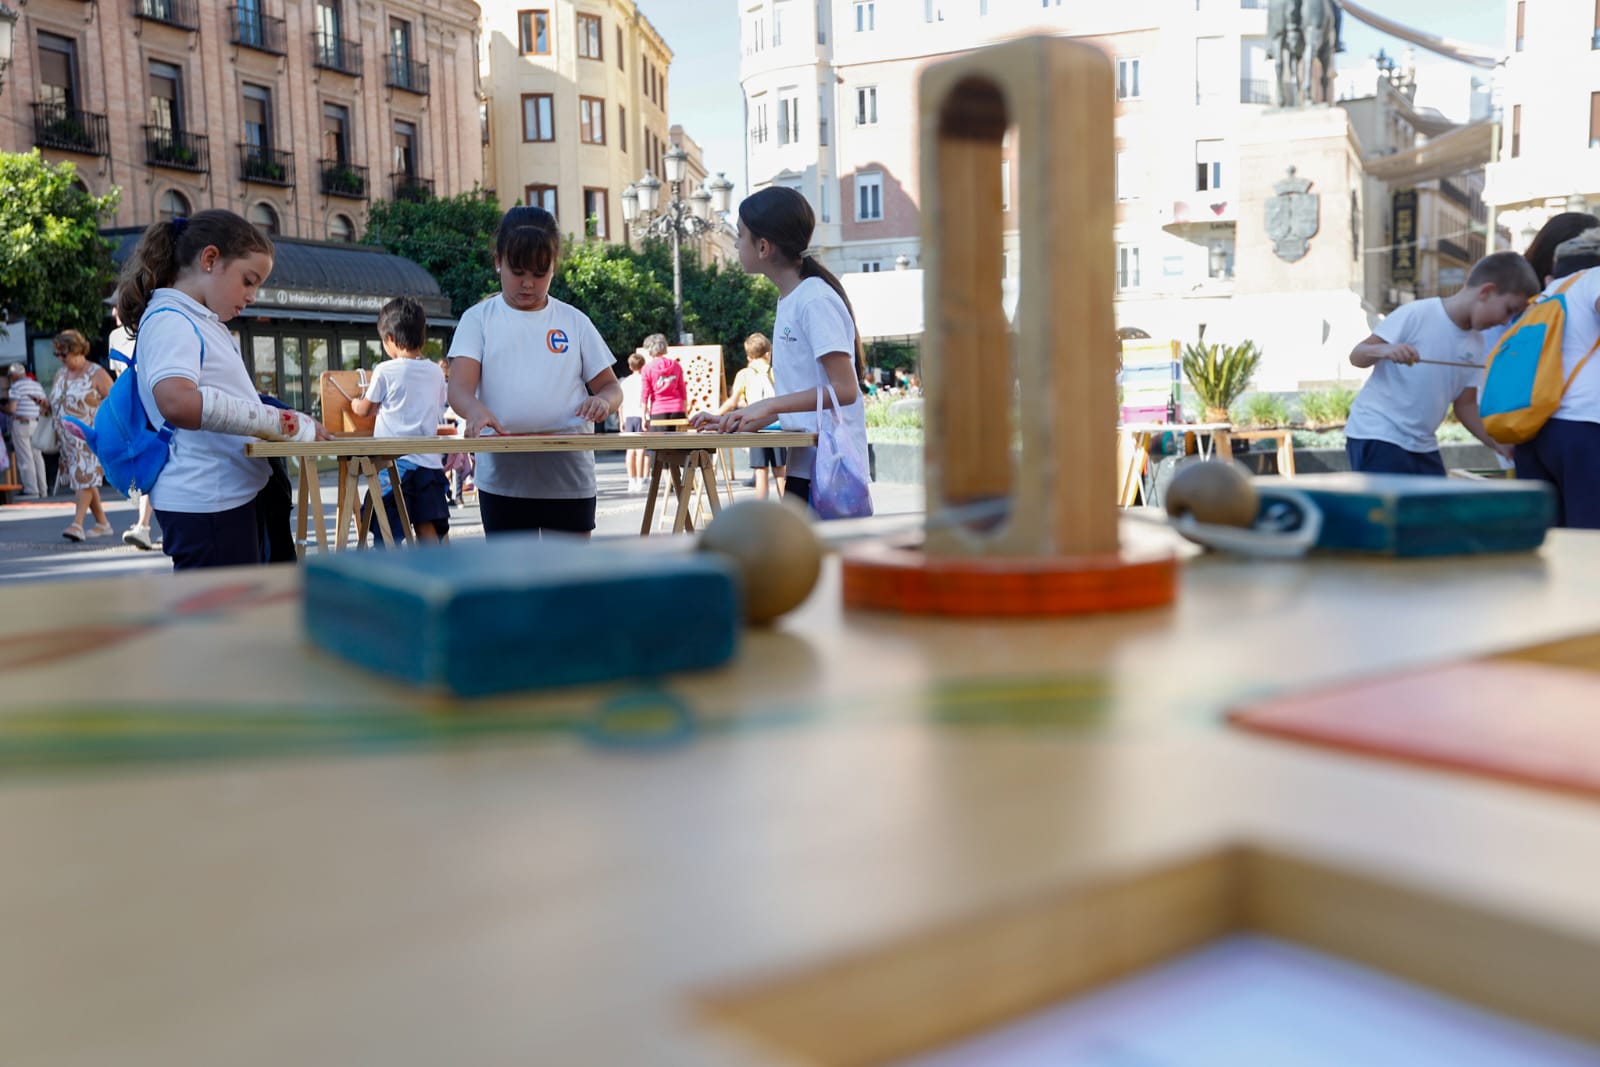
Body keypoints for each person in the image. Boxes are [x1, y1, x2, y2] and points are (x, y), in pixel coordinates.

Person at [116, 209, 331, 570]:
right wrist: (278, 423)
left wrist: (282, 417)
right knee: (220, 622)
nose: (252, 295)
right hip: (206, 500)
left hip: (217, 498)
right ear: (210, 259)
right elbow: (176, 401)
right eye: (248, 280)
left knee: (230, 619)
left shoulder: (195, 318)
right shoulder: (172, 320)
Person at [446, 205, 622, 537]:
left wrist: (603, 402)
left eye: (540, 274)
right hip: (503, 478)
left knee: (568, 580)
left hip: (568, 477)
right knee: (511, 580)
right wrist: (474, 410)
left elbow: (610, 387)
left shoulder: (574, 321)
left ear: (555, 267)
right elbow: (459, 389)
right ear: (498, 260)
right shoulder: (478, 319)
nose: (528, 283)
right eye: (518, 271)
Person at [690, 186, 868, 512]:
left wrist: (768, 405)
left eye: (740, 235)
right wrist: (747, 416)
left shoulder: (813, 298)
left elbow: (845, 389)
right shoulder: (793, 297)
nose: (735, 242)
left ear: (763, 246)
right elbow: (807, 390)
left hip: (830, 469)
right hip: (808, 464)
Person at [1344, 251, 1539, 477]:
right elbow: (1357, 355)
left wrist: (1497, 442)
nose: (1505, 321)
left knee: (1435, 509)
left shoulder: (1477, 343)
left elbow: (1465, 406)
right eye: (1509, 310)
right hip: (1378, 433)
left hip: (1422, 443)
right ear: (1486, 291)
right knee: (1393, 511)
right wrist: (1385, 350)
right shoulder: (1418, 313)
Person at [1512, 227, 1600, 528]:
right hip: (1584, 428)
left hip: (1533, 431)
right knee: (1589, 541)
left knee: (1547, 539)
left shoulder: (1544, 297)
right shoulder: (1593, 278)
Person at [351, 297, 450, 545]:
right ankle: (435, 576)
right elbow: (437, 405)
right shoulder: (436, 371)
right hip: (429, 463)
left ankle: (388, 577)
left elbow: (365, 409)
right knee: (428, 526)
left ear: (390, 340)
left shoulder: (386, 370)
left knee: (387, 530)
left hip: (392, 463)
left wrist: (354, 402)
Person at [49, 330, 115, 540]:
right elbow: (56, 401)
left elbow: (114, 402)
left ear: (76, 350)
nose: (60, 359)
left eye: (63, 354)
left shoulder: (96, 373)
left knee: (85, 477)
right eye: (57, 355)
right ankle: (103, 523)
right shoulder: (60, 375)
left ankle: (77, 524)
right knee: (84, 480)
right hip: (67, 441)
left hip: (89, 438)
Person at [107, 308, 159, 550]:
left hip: (142, 405)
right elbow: (120, 376)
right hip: (146, 405)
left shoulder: (147, 327)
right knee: (152, 463)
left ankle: (145, 525)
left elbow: (119, 377)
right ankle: (145, 525)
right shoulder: (119, 335)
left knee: (149, 463)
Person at [718, 332, 786, 499]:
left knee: (760, 470)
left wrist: (717, 414)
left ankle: (761, 510)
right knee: (780, 470)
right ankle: (789, 508)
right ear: (768, 354)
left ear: (748, 356)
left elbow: (733, 402)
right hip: (777, 425)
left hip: (755, 426)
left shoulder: (744, 374)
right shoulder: (776, 371)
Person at [5, 362, 50, 498]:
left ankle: (31, 490)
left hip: (21, 423)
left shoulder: (15, 387)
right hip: (35, 423)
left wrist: (2, 408)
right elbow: (44, 406)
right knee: (37, 457)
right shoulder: (36, 385)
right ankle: (43, 490)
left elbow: (12, 409)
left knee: (25, 458)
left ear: (14, 375)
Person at [639, 332, 686, 431]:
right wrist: (685, 410)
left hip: (658, 409)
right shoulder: (676, 365)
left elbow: (645, 394)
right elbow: (682, 390)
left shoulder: (647, 369)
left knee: (659, 445)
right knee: (680, 444)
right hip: (677, 408)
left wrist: (643, 417)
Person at [619, 351, 650, 493]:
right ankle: (640, 479)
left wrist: (621, 420)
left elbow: (621, 403)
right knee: (641, 450)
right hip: (640, 415)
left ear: (630, 367)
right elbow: (646, 400)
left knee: (630, 450)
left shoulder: (625, 382)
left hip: (627, 416)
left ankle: (631, 480)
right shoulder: (644, 380)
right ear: (643, 365)